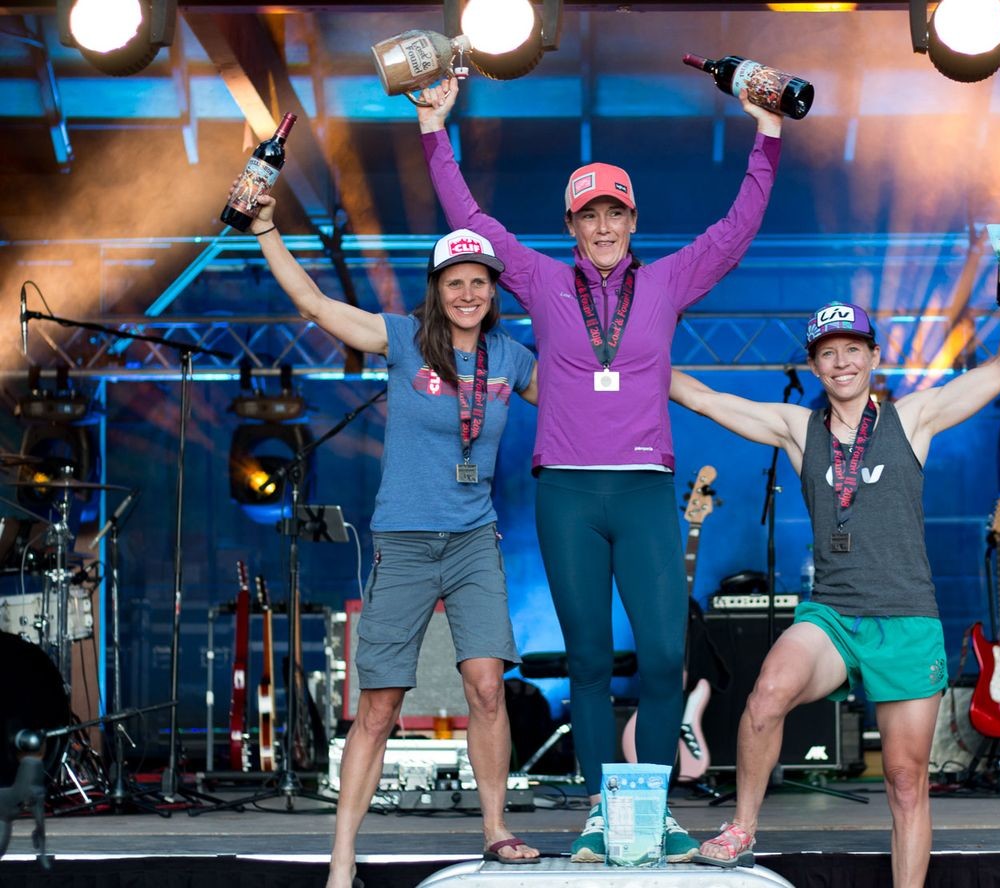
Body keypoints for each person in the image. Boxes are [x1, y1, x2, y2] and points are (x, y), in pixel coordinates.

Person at [415, 79, 784, 861]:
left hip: (647, 489)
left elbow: (735, 231)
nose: (605, 225)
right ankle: (596, 814)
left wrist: (767, 138)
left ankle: (650, 813)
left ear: (633, 220)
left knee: (661, 658)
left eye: (616, 212)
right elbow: (472, 223)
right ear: (571, 226)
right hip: (569, 491)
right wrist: (432, 130)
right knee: (585, 658)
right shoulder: (544, 281)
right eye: (591, 214)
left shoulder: (667, 281)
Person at [669, 234, 1000, 887]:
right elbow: (701, 398)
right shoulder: (798, 428)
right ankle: (741, 828)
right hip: (834, 618)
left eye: (852, 349)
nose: (840, 361)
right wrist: (628, 338)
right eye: (827, 353)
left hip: (906, 622)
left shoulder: (916, 418)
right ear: (815, 367)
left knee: (906, 784)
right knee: (765, 696)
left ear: (874, 357)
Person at [239, 190, 541, 887]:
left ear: (494, 292)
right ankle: (342, 854)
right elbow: (317, 306)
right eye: (455, 282)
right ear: (438, 291)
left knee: (487, 687)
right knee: (379, 705)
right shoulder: (405, 339)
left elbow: (581, 407)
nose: (468, 293)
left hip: (473, 543)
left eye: (479, 283)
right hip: (404, 541)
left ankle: (496, 830)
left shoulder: (512, 358)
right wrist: (265, 230)